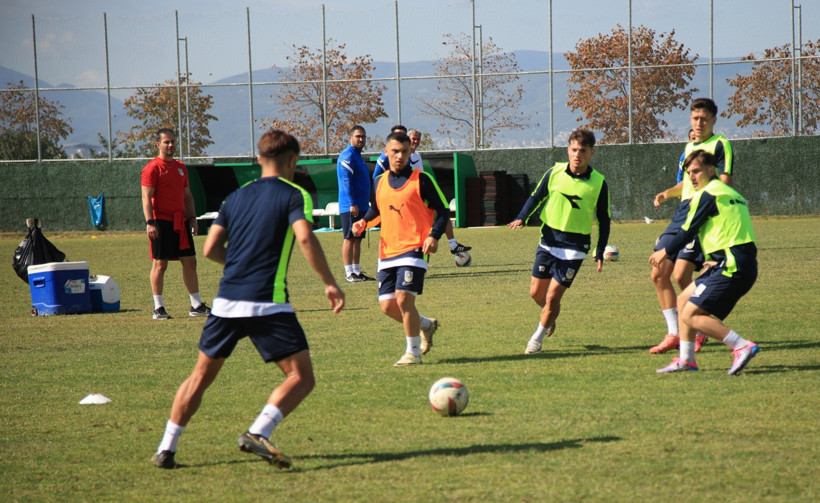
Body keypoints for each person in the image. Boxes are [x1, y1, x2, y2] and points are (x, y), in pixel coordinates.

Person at [152, 129, 345, 470]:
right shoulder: (295, 193)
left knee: (199, 377)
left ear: (258, 160)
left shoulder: (235, 197)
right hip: (267, 303)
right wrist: (329, 282)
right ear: (292, 161)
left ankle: (166, 448)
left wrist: (239, 264)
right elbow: (304, 238)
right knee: (301, 377)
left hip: (226, 302)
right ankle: (258, 431)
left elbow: (210, 248)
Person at [650, 150, 759, 375]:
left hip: (731, 265)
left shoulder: (707, 194)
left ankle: (741, 346)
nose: (691, 177)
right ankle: (686, 360)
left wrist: (665, 251)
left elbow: (687, 231)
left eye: (696, 171)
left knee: (690, 314)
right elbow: (728, 228)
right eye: (689, 172)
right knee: (682, 301)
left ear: (712, 170)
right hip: (735, 261)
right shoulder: (731, 193)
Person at [508, 128, 610, 355]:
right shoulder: (554, 172)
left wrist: (599, 250)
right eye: (574, 150)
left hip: (575, 248)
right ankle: (550, 317)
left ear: (591, 153)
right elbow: (536, 196)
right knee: (536, 294)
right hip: (548, 241)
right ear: (568, 150)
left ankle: (536, 340)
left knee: (553, 296)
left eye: (583, 151)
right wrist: (521, 217)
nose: (577, 155)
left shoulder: (598, 183)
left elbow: (604, 219)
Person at [352, 132, 449, 366]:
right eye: (395, 151)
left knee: (404, 299)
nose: (400, 156)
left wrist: (434, 236)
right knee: (388, 306)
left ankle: (412, 353)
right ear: (385, 151)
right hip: (387, 251)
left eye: (405, 152)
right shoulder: (379, 181)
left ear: (410, 153)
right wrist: (363, 222)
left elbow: (443, 210)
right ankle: (426, 324)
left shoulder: (422, 179)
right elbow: (376, 211)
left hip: (415, 247)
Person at [649, 98, 734, 354]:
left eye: (704, 119)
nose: (699, 123)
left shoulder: (720, 144)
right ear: (690, 119)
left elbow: (725, 181)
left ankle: (697, 324)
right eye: (695, 118)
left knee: (679, 274)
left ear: (713, 120)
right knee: (658, 273)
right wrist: (667, 193)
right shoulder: (688, 148)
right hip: (681, 213)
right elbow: (684, 185)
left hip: (701, 212)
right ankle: (674, 332)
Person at [141, 128, 210, 320]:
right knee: (160, 264)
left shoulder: (180, 167)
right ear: (158, 144)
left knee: (190, 261)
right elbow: (146, 198)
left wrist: (193, 218)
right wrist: (150, 222)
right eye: (166, 142)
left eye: (172, 142)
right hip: (160, 221)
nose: (170, 145)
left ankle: (196, 305)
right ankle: (158, 308)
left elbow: (187, 195)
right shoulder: (152, 168)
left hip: (180, 220)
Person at [372, 125, 471, 255]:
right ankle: (385, 258)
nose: (415, 142)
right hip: (395, 198)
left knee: (442, 209)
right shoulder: (387, 157)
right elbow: (376, 178)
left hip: (415, 195)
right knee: (391, 229)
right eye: (413, 139)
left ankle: (451, 244)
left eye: (417, 139)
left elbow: (419, 177)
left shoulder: (416, 156)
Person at [337, 125, 374, 283]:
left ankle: (357, 272)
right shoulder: (348, 155)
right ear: (350, 138)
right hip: (351, 206)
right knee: (349, 238)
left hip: (362, 205)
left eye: (363, 137)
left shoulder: (358, 156)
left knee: (358, 238)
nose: (361, 139)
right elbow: (346, 181)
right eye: (358, 136)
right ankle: (349, 273)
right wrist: (352, 203)